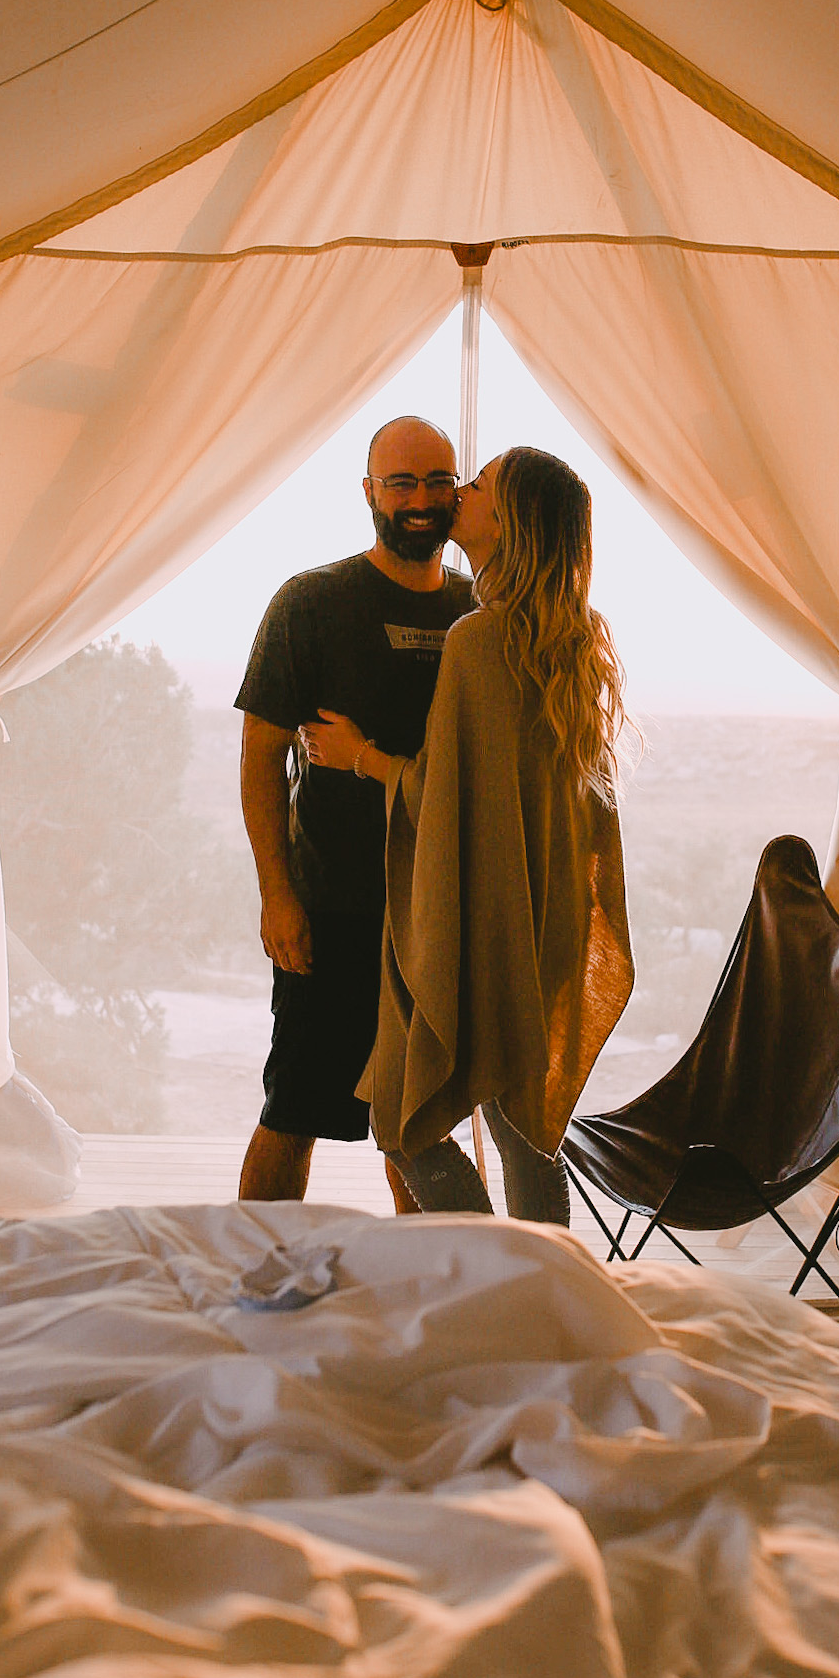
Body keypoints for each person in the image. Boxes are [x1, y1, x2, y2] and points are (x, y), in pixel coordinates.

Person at [302, 447, 634, 1218]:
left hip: (483, 920)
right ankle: (544, 1290)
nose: (458, 493)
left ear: (507, 520)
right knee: (523, 1124)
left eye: (477, 485)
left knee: (403, 1113)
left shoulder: (479, 641)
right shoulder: (573, 639)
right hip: (545, 917)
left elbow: (444, 798)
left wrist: (362, 758)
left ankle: (496, 1273)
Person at [235, 416, 475, 1209]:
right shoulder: (310, 602)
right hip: (332, 908)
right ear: (368, 490)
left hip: (439, 914)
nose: (419, 499)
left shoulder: (482, 615)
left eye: (438, 481)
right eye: (401, 481)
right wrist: (278, 892)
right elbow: (261, 755)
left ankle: (419, 1302)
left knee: (419, 1121)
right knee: (294, 1108)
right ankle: (257, 1278)